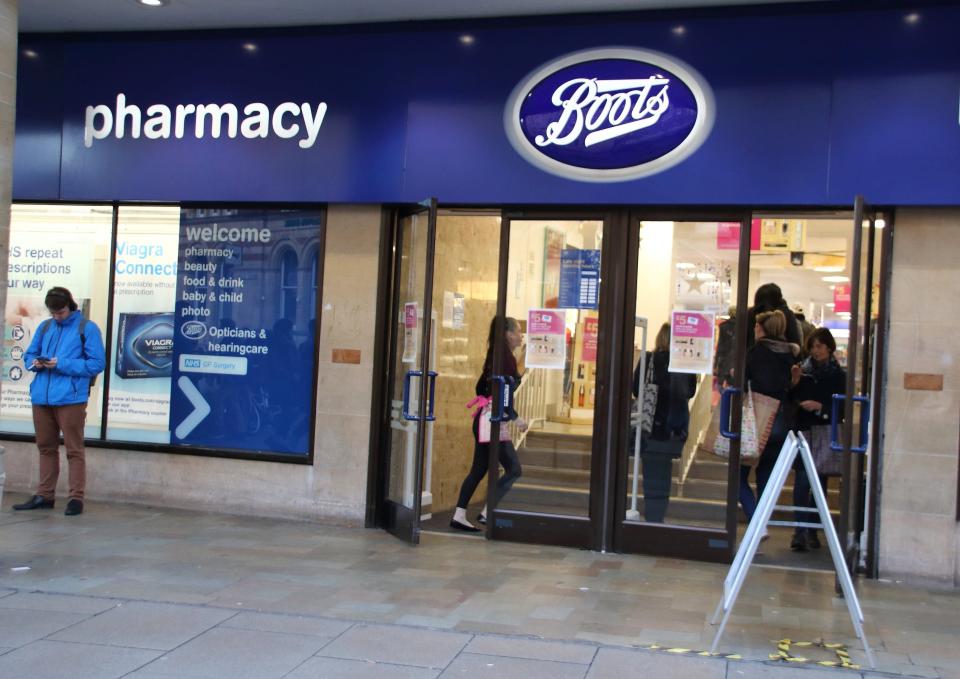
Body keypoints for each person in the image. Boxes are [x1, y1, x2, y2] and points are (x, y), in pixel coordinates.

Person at [14, 287, 106, 516]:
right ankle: (45, 495)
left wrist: (61, 363)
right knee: (45, 447)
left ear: (70, 306)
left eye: (61, 312)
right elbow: (29, 355)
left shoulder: (87, 328)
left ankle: (76, 498)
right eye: (54, 313)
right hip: (42, 397)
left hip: (71, 398)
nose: (57, 316)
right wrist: (35, 363)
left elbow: (96, 364)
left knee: (74, 449)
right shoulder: (45, 327)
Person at [451, 316, 528, 532]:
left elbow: (484, 387)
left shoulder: (497, 355)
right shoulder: (505, 358)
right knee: (514, 468)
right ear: (508, 334)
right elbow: (505, 390)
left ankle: (460, 514)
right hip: (491, 423)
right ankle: (487, 512)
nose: (521, 336)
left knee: (479, 469)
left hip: (483, 419)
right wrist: (515, 417)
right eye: (519, 331)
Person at [738, 309, 800, 527]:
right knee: (766, 476)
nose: (754, 329)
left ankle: (756, 524)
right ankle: (761, 523)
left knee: (738, 478)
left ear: (763, 329)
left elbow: (743, 380)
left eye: (756, 326)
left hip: (758, 421)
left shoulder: (756, 353)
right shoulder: (791, 354)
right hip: (781, 422)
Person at [632, 322, 696, 523]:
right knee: (665, 472)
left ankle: (652, 514)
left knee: (650, 471)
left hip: (650, 424)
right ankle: (658, 516)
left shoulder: (649, 359)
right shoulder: (683, 361)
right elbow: (691, 391)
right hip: (674, 427)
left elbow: (636, 389)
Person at [789, 327, 846, 551]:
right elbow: (790, 398)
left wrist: (821, 407)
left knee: (819, 484)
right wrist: (794, 382)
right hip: (803, 430)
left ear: (829, 347)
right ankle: (800, 531)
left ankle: (812, 531)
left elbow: (841, 407)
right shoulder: (803, 370)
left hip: (824, 431)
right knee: (802, 481)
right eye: (812, 346)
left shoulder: (838, 375)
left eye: (820, 346)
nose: (816, 351)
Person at [746, 283, 802, 349]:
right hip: (780, 356)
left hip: (752, 355)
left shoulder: (751, 313)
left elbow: (744, 339)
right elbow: (794, 342)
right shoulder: (786, 314)